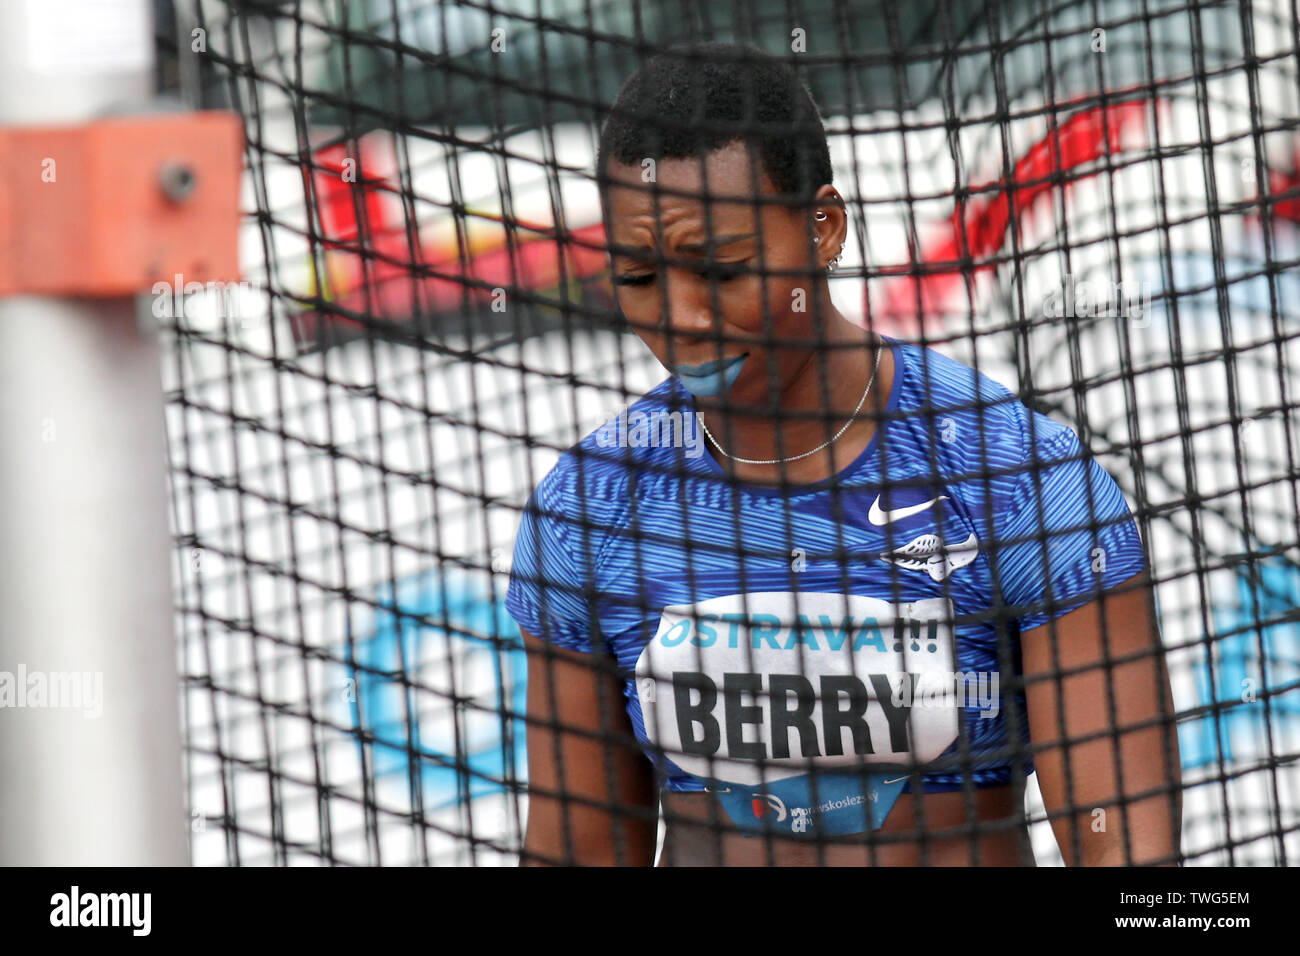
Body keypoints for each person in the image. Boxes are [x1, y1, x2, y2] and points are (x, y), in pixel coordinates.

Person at [507, 41, 1181, 866]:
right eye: (640, 277)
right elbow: (577, 851)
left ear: (823, 229)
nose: (681, 319)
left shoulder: (1018, 483)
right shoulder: (592, 508)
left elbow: (1128, 860)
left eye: (719, 270)